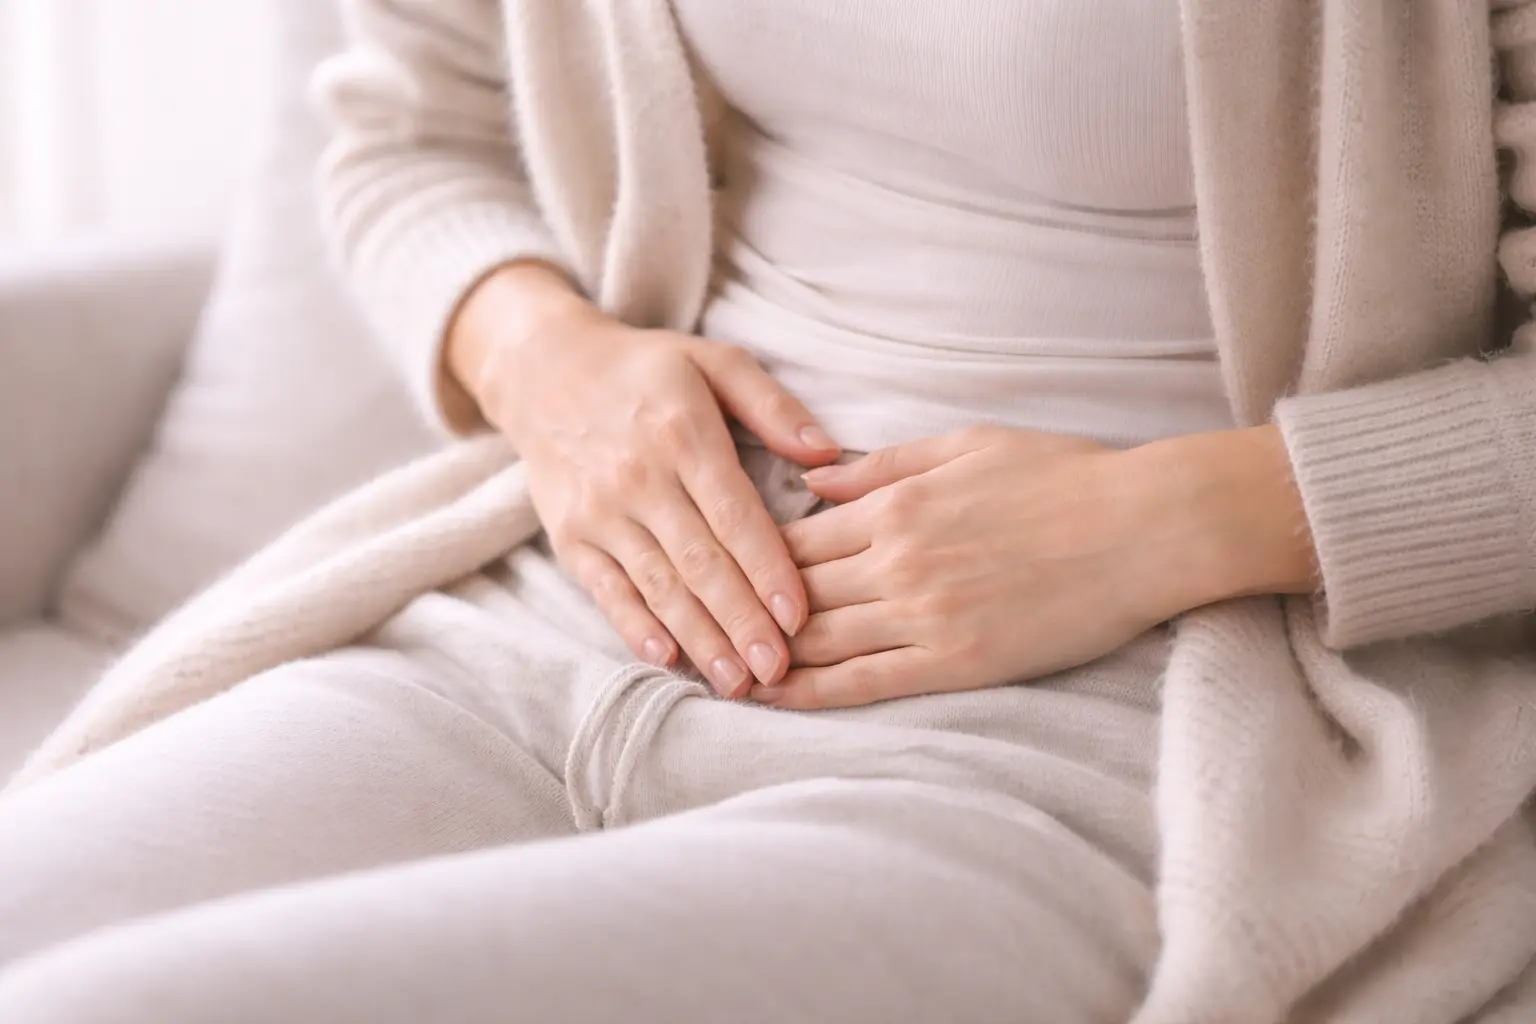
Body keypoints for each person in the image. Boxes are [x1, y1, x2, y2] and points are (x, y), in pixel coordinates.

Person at [3, 1, 1536, 1021]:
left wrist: (1165, 520)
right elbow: (418, 124)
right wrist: (550, 364)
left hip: (1093, 742)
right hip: (534, 628)